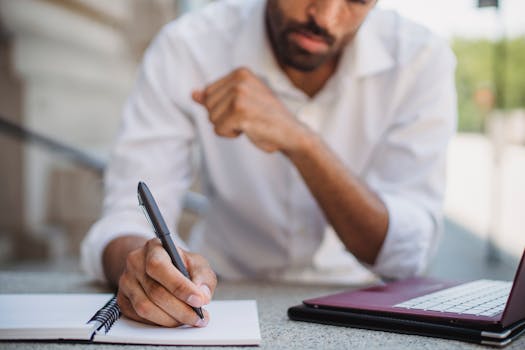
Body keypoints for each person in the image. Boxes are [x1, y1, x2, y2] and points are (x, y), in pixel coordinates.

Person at [81, 0, 456, 329]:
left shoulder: (420, 59)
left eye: (356, 0)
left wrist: (302, 142)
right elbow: (124, 219)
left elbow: (406, 254)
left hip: (363, 302)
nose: (324, 16)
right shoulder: (188, 45)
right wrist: (146, 267)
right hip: (221, 294)